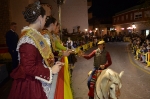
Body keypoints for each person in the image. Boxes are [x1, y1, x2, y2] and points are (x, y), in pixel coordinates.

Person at [8, 1, 63, 99]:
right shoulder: (27, 39)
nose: (46, 21)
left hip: (36, 78)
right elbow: (28, 67)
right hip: (31, 85)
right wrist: (50, 71)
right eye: (45, 18)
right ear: (39, 18)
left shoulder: (34, 35)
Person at [41, 16, 73, 99]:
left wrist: (62, 54)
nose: (56, 27)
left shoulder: (48, 35)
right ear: (52, 25)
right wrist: (62, 54)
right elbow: (48, 55)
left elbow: (52, 52)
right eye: (55, 25)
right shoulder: (45, 35)